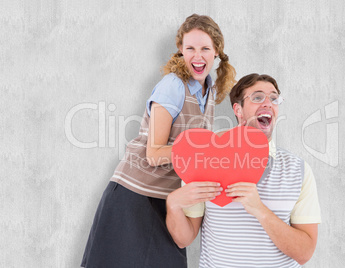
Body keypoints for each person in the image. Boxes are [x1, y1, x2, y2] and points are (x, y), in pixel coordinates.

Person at [81, 14, 236, 268]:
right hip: (134, 199)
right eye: (190, 48)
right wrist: (204, 150)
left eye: (205, 48)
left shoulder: (209, 91)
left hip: (168, 201)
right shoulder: (172, 86)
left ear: (216, 51)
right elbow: (154, 153)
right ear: (180, 50)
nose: (197, 57)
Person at [166, 73, 321, 267]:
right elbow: (184, 239)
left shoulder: (298, 170)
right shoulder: (204, 161)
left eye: (274, 98)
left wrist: (260, 210)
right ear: (238, 109)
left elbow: (304, 253)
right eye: (257, 97)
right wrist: (173, 205)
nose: (268, 103)